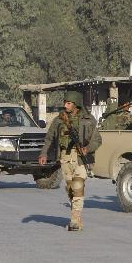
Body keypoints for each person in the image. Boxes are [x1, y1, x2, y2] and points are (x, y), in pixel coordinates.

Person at [38, 91, 102, 231]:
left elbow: (97, 139)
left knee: (78, 185)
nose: (65, 105)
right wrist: (44, 154)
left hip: (80, 157)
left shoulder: (88, 119)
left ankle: (74, 220)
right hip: (65, 158)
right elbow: (49, 138)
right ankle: (77, 218)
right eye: (65, 102)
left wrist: (87, 149)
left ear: (76, 104)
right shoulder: (59, 120)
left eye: (68, 103)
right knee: (70, 189)